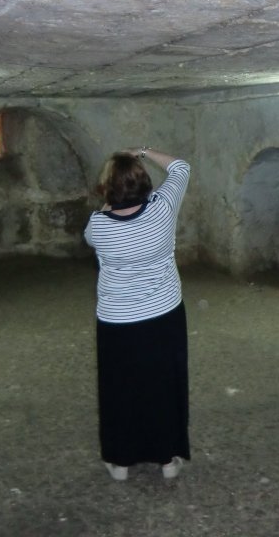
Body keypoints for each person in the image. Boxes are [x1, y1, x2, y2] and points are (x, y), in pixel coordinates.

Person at [83, 146, 192, 480]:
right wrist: (143, 152)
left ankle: (120, 461)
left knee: (120, 387)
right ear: (145, 184)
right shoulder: (163, 209)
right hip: (164, 314)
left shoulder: (98, 227)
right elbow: (181, 167)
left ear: (108, 189)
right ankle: (167, 459)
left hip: (118, 322)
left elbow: (100, 220)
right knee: (164, 383)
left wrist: (110, 196)